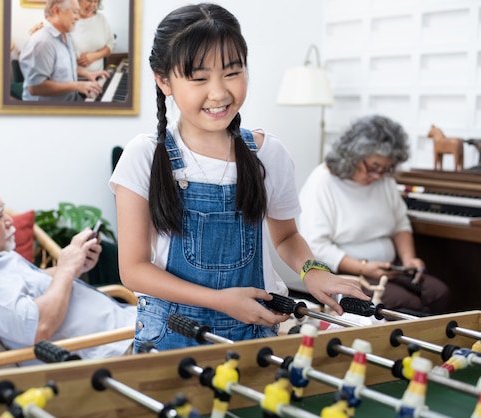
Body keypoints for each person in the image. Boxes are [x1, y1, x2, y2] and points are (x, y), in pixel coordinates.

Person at [109, 3, 368, 353]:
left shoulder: (268, 154)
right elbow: (134, 270)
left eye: (232, 72)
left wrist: (312, 270)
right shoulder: (144, 155)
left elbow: (287, 235)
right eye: (199, 78)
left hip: (254, 332)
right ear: (163, 80)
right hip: (169, 336)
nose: (218, 92)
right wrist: (220, 300)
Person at [0, 176, 136, 361]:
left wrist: (74, 266)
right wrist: (65, 269)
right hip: (119, 348)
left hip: (124, 330)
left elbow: (29, 289)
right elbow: (38, 327)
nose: (9, 220)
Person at [298, 115, 450, 315]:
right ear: (352, 155)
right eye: (374, 167)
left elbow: (400, 224)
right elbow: (316, 246)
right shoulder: (322, 182)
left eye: (386, 169)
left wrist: (409, 260)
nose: (378, 175)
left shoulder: (383, 181)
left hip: (387, 269)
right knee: (406, 303)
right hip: (344, 272)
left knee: (439, 293)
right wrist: (363, 267)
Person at [19, 0, 110, 101]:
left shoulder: (66, 34)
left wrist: (87, 74)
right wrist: (77, 86)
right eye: (75, 12)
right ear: (57, 11)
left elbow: (65, 67)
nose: (78, 17)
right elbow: (35, 88)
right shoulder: (41, 42)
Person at [72, 0, 116, 72]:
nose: (92, 5)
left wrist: (94, 56)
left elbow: (111, 43)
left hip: (98, 77)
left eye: (95, 1)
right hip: (73, 80)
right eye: (89, 1)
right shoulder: (69, 20)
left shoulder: (101, 19)